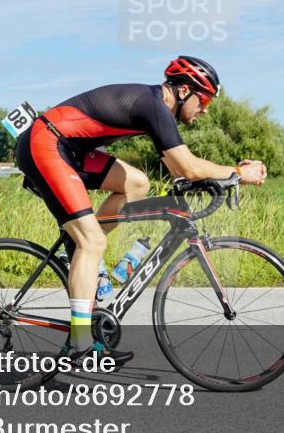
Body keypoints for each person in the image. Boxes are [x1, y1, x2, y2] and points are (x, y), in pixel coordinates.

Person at [15, 55, 267, 365]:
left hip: (70, 149)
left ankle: (78, 250)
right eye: (204, 100)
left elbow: (180, 170)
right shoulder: (153, 106)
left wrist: (219, 178)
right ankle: (80, 342)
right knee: (92, 241)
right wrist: (238, 173)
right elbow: (186, 167)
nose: (206, 109)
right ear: (184, 91)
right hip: (46, 144)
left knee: (137, 183)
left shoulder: (156, 106)